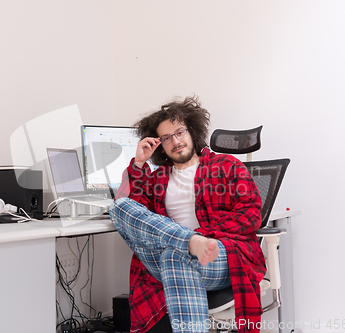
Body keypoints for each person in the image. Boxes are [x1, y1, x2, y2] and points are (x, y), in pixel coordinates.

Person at [109, 96, 266, 333]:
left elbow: (251, 214)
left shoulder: (226, 165)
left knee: (175, 257)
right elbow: (134, 210)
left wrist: (203, 235)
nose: (175, 141)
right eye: (166, 137)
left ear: (191, 131)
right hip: (169, 254)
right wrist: (139, 164)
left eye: (180, 132)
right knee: (118, 207)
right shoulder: (158, 177)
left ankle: (192, 242)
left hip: (219, 253)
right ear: (159, 144)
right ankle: (188, 242)